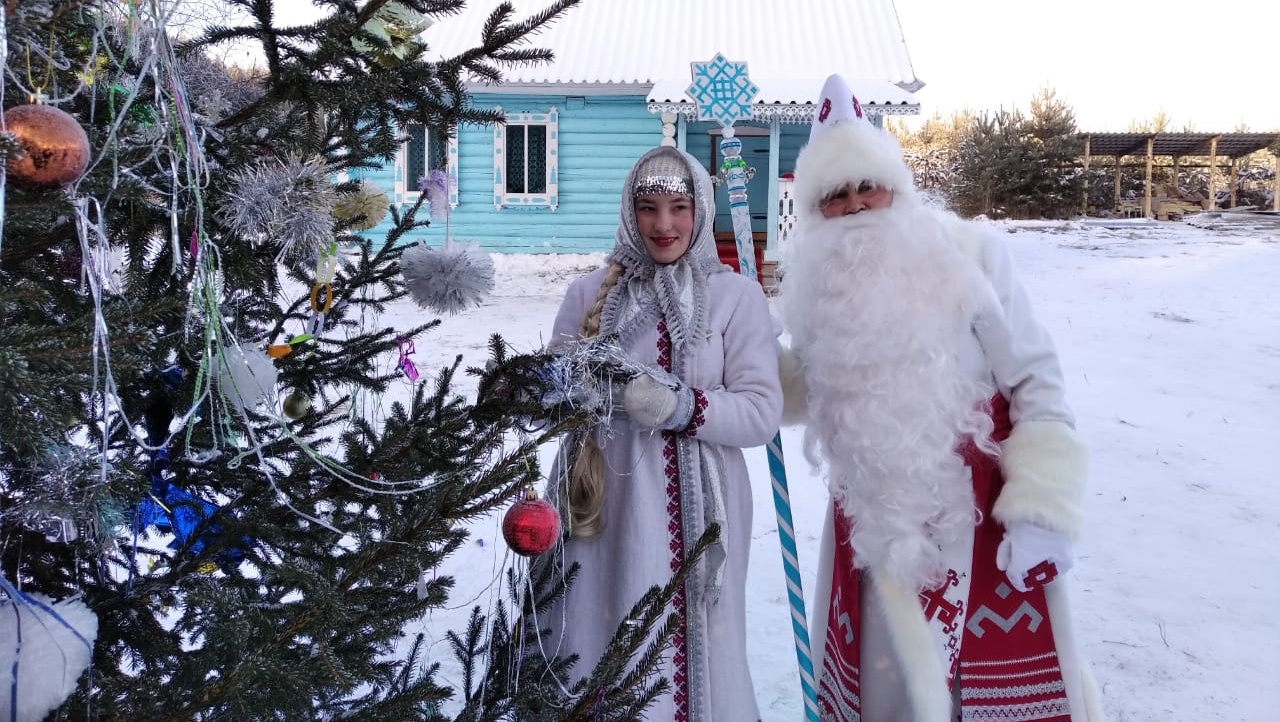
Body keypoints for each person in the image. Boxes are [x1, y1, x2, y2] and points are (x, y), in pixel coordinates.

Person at [777, 75, 1105, 722]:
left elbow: (1037, 379)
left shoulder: (970, 256)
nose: (856, 205)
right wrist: (758, 360)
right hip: (875, 528)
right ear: (817, 210)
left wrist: (1041, 508)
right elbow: (808, 394)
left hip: (980, 521)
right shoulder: (819, 289)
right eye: (836, 196)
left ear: (895, 186)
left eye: (867, 185)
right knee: (888, 691)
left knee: (977, 697)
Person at [538, 146, 782, 721]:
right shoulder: (588, 292)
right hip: (599, 496)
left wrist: (680, 405)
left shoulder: (735, 297)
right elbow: (551, 395)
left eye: (678, 208)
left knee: (691, 638)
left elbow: (760, 412)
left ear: (701, 212)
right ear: (630, 212)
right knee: (598, 624)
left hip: (704, 502)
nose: (663, 224)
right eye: (647, 208)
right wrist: (549, 392)